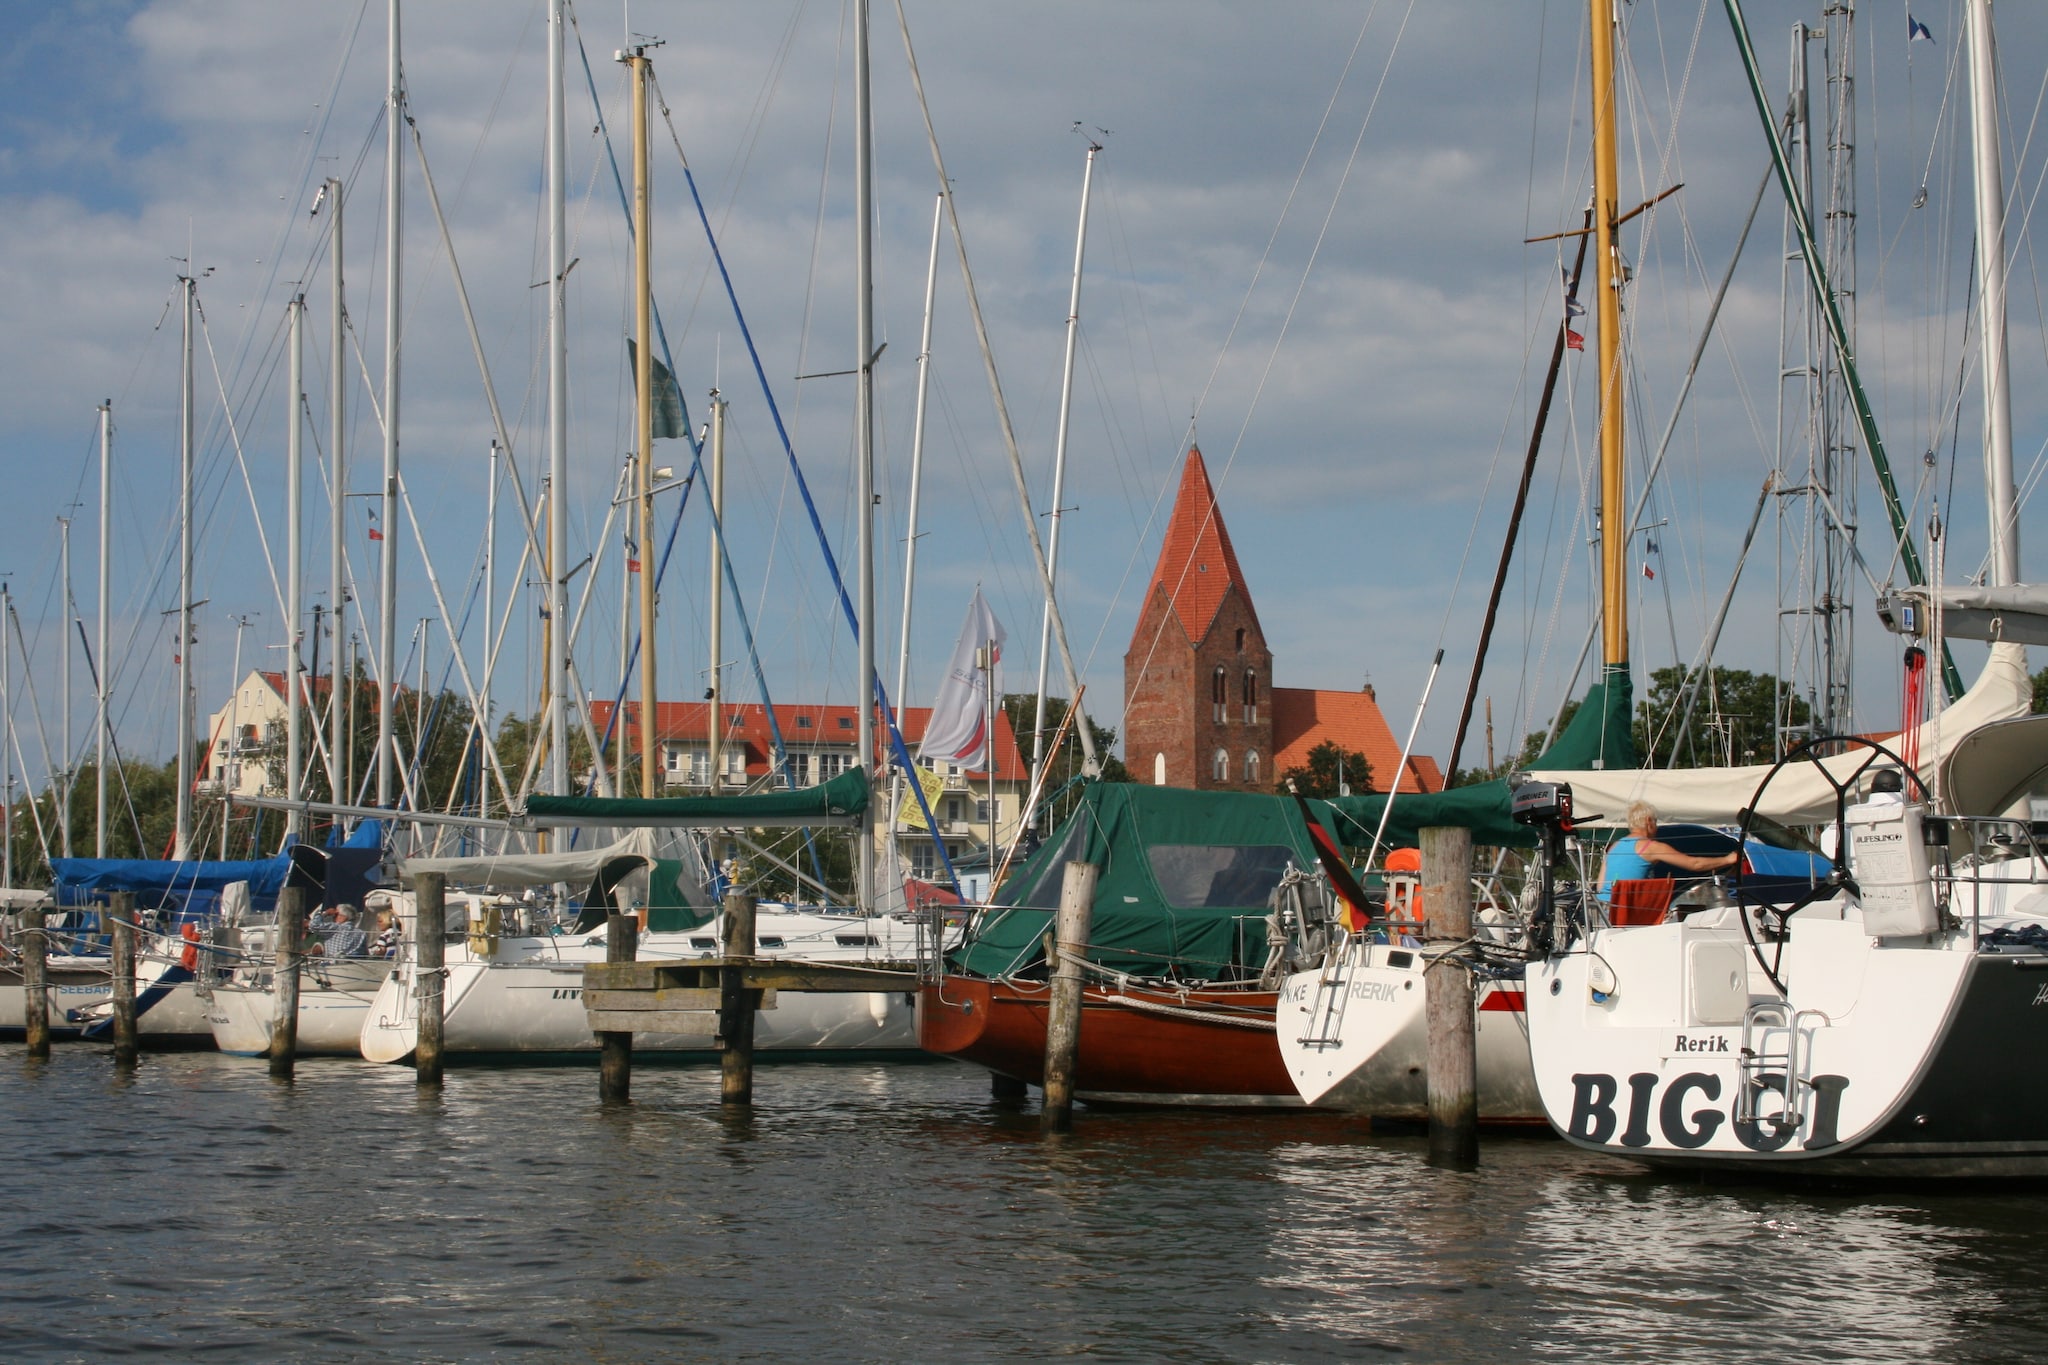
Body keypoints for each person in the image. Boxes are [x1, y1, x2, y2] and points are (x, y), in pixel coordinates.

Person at [1598, 801, 1740, 895]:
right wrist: (1727, 859)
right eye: (1655, 821)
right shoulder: (1650, 847)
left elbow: (1600, 887)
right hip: (1628, 913)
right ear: (1648, 822)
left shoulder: (1614, 846)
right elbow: (1694, 864)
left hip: (1604, 913)